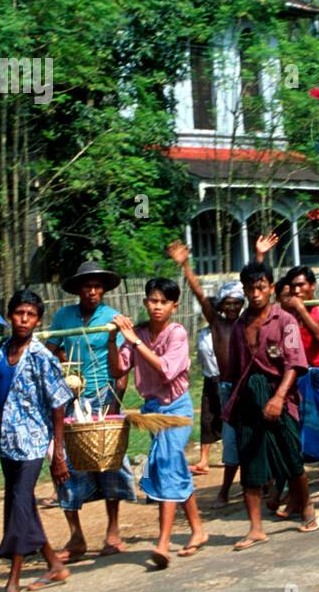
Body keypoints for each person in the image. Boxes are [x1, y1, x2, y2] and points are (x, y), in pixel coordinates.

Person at [0, 290, 73, 592]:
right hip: (5, 441)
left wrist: (59, 454)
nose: (24, 320)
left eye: (30, 315)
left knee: (18, 507)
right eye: (19, 313)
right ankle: (54, 563)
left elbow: (58, 405)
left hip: (32, 443)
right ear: (9, 315)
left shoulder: (42, 358)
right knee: (21, 502)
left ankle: (12, 581)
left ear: (38, 320)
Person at [220, 262, 319, 547]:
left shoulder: (285, 321)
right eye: (250, 288)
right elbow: (236, 368)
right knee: (250, 461)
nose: (255, 293)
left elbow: (295, 362)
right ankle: (255, 528)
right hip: (249, 398)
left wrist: (278, 398)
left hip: (280, 394)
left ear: (271, 288)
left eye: (261, 287)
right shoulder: (240, 326)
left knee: (290, 456)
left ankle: (307, 506)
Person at [109, 278, 207, 568]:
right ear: (145, 303)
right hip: (152, 410)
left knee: (165, 466)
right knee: (173, 467)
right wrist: (111, 340)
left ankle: (163, 543)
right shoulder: (136, 333)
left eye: (163, 302)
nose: (157, 307)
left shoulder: (176, 333)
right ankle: (198, 529)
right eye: (153, 301)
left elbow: (165, 371)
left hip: (177, 409)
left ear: (174, 306)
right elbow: (117, 369)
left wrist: (134, 341)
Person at [43, 261, 135, 561]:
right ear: (78, 289)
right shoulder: (63, 316)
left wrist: (115, 399)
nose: (92, 291)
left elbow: (122, 364)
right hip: (69, 400)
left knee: (108, 462)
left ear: (104, 289)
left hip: (102, 395)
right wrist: (63, 365)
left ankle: (113, 530)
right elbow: (52, 349)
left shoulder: (112, 319)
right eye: (87, 285)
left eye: (97, 286)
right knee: (64, 464)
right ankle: (76, 536)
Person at [169, 241, 244, 506]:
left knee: (256, 440)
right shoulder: (218, 324)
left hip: (249, 386)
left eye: (237, 303)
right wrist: (186, 265)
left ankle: (263, 486)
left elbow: (261, 288)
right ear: (222, 306)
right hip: (227, 388)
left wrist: (259, 255)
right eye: (228, 303)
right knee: (232, 441)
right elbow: (200, 294)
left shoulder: (248, 324)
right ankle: (224, 490)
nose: (233, 307)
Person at [281, 266, 319, 515]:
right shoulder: (288, 312)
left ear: (311, 286)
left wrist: (300, 310)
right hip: (300, 377)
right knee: (296, 439)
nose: (297, 291)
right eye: (293, 286)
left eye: (301, 285)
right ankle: (297, 496)